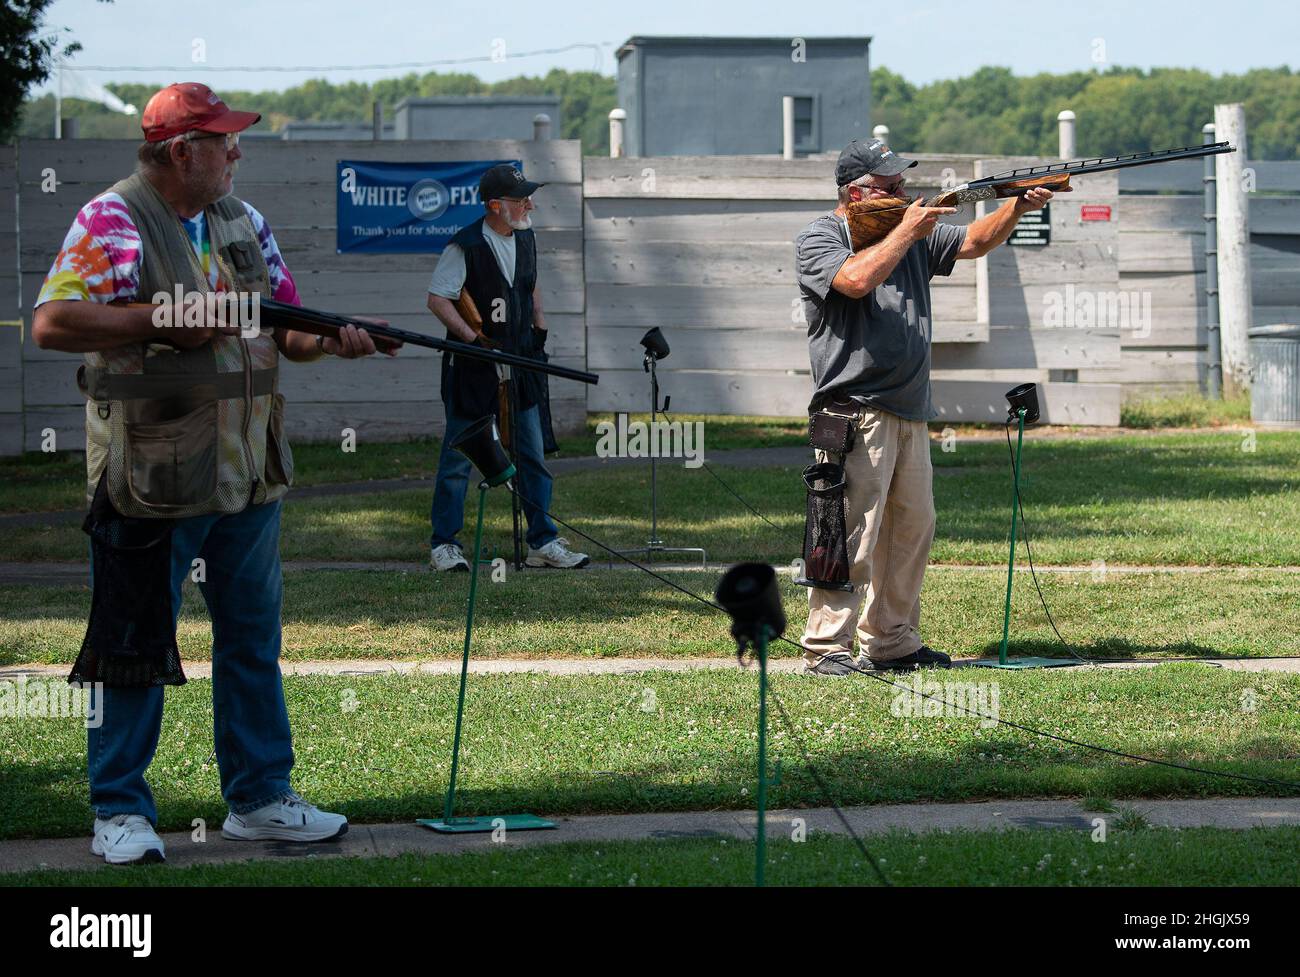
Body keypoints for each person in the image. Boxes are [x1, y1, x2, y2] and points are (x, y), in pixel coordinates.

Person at [32, 83, 391, 863]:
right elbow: (51, 321)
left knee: (253, 638)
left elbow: (285, 326)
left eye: (235, 140)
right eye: (223, 141)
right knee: (133, 641)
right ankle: (119, 810)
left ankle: (261, 798)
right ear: (180, 151)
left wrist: (335, 341)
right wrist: (156, 318)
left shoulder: (244, 222)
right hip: (148, 476)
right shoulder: (113, 220)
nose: (236, 152)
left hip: (246, 472)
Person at [795, 138, 1054, 677]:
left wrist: (1014, 206)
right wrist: (908, 229)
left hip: (910, 408)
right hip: (853, 409)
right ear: (855, 193)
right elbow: (856, 280)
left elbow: (976, 242)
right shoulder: (820, 237)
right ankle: (826, 648)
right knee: (848, 532)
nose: (904, 193)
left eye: (902, 185)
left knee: (911, 531)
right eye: (891, 186)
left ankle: (891, 641)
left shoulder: (910, 233)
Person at [425, 163, 588, 572]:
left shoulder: (527, 238)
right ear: (495, 206)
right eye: (521, 199)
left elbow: (530, 286)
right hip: (474, 367)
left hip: (521, 363)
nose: (530, 204)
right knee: (458, 459)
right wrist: (473, 340)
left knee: (532, 454)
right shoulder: (465, 246)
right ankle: (444, 544)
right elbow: (438, 300)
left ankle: (542, 542)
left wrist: (540, 326)